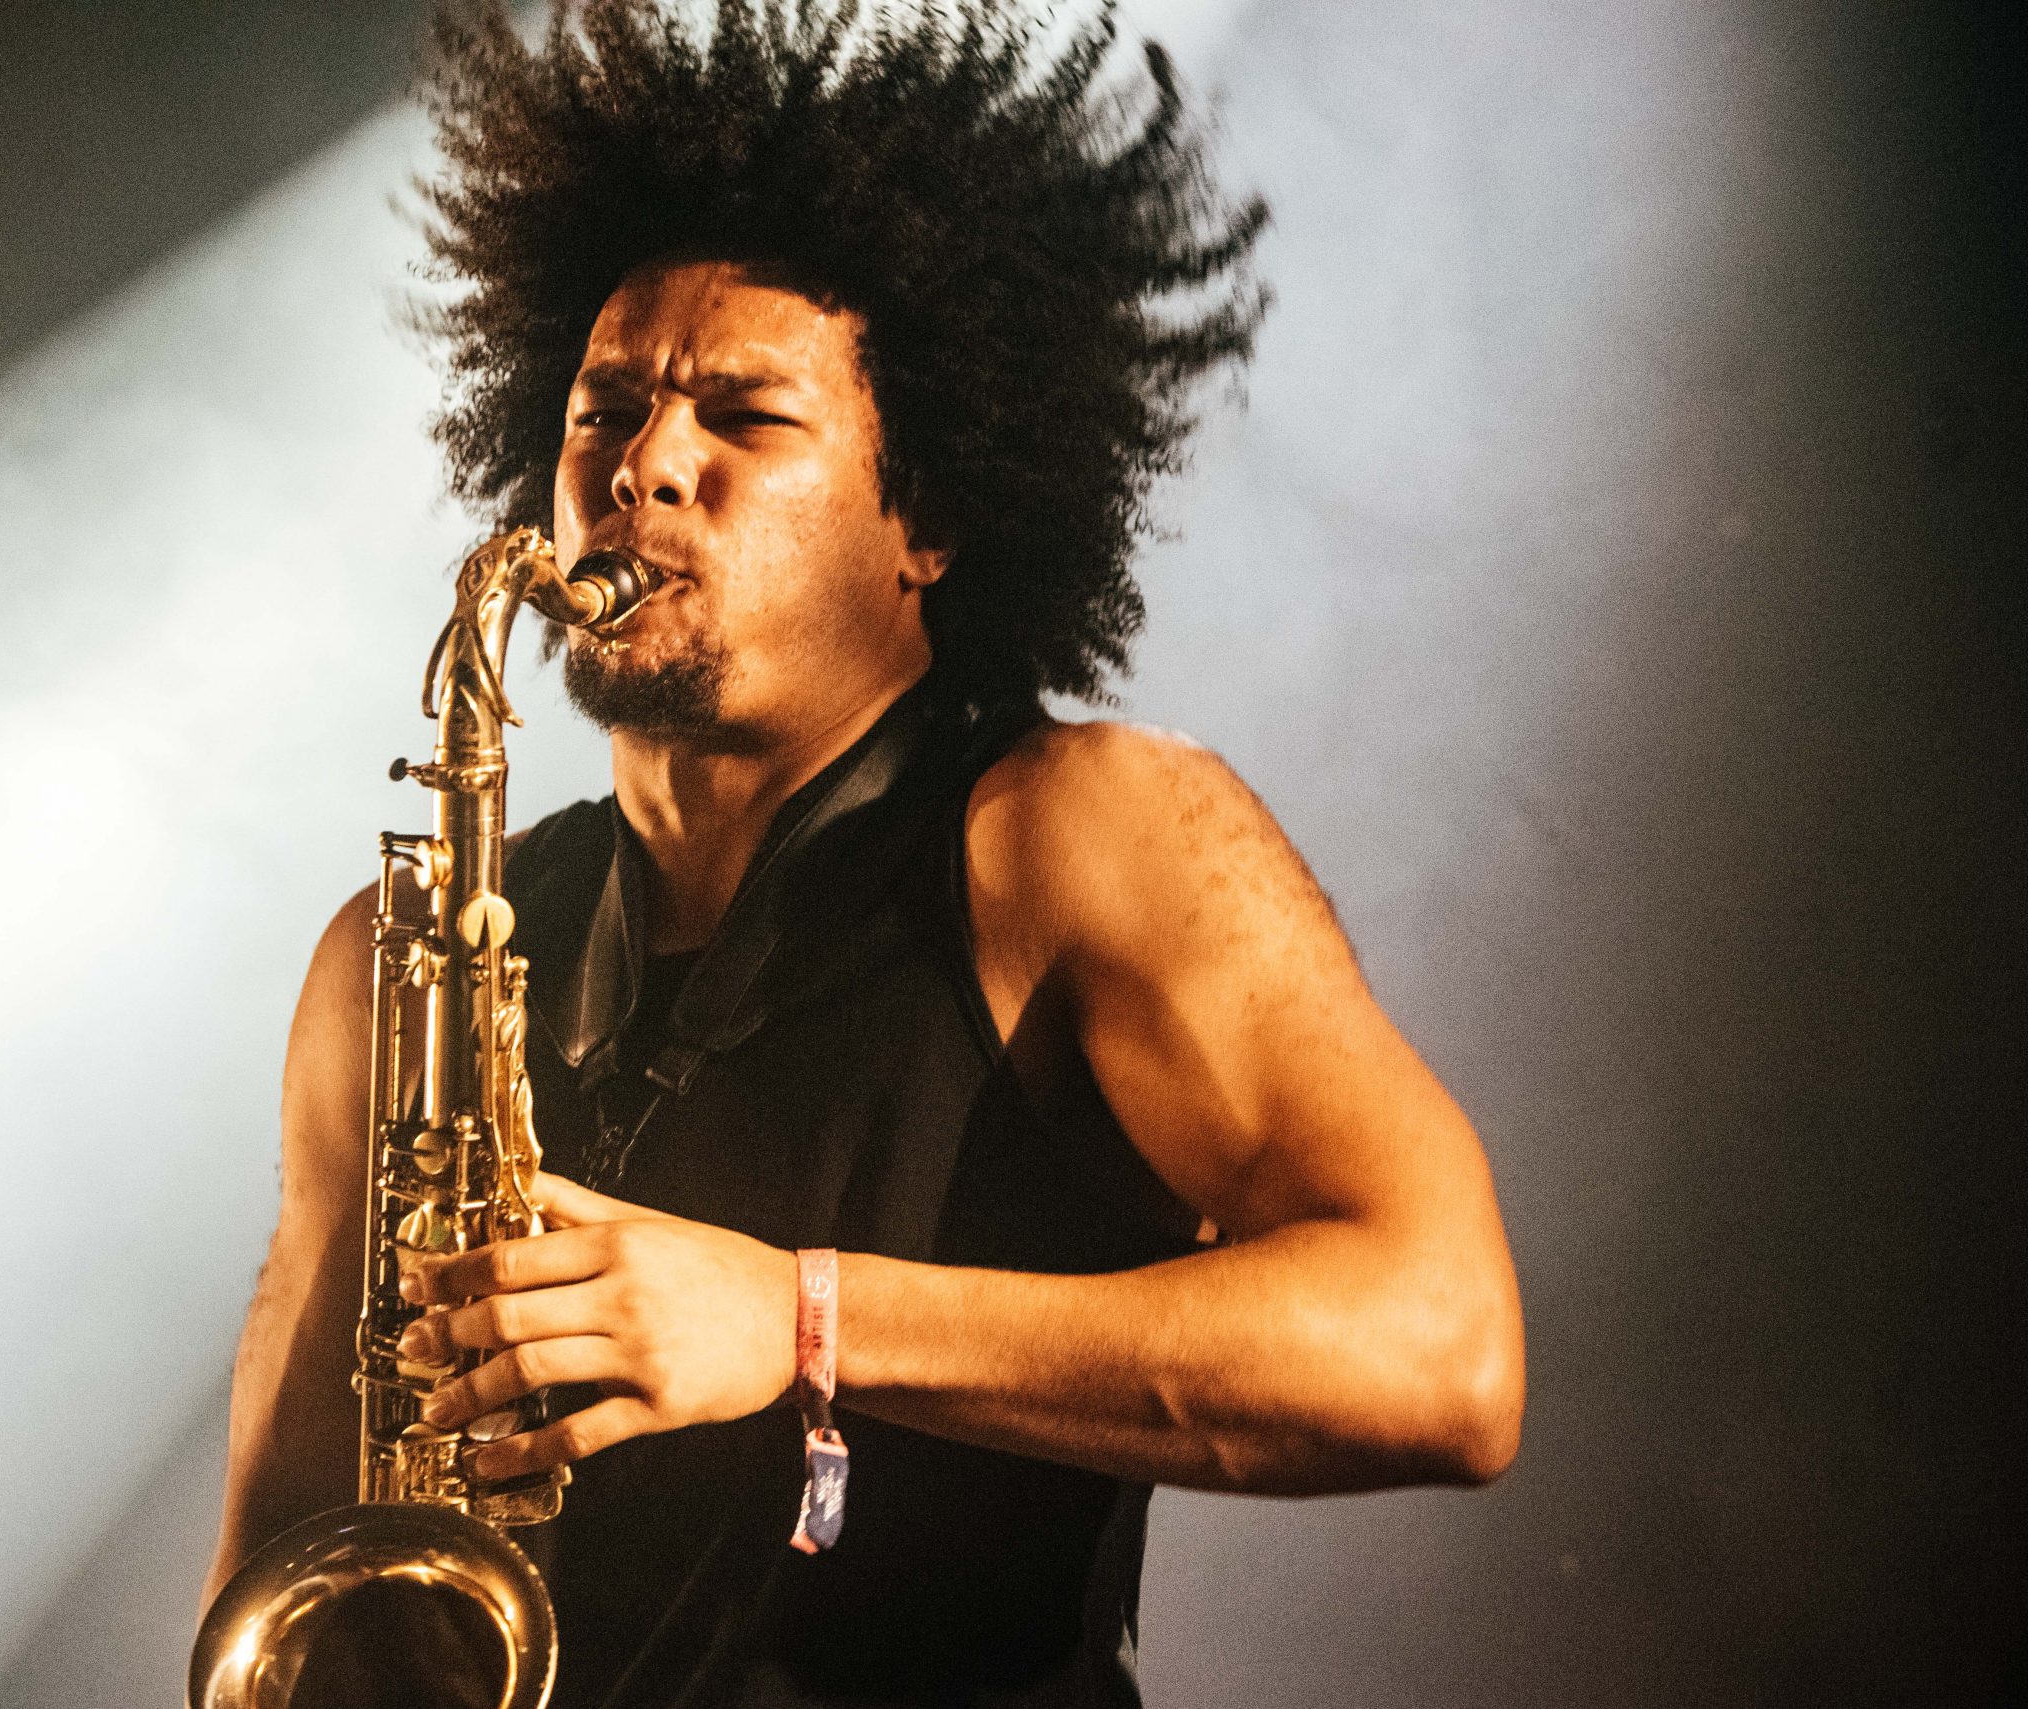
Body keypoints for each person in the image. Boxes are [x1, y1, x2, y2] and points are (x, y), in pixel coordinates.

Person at [207, 0, 1524, 1701]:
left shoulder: (1074, 831)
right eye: (605, 409)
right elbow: (289, 1566)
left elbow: (1448, 1346)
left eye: (745, 420)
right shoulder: (394, 961)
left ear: (933, 519)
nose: (645, 466)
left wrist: (803, 1317)